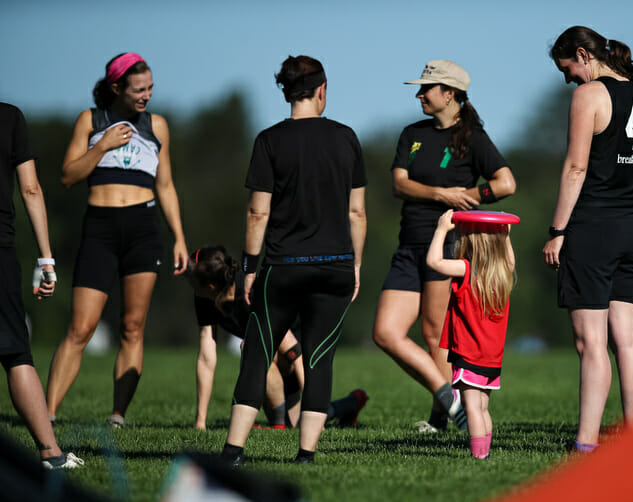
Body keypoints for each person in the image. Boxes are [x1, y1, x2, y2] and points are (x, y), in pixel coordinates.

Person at [220, 55, 366, 465]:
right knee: (319, 359)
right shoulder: (347, 138)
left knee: (257, 353)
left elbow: (257, 213)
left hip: (283, 267)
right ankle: (305, 455)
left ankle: (233, 451)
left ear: (286, 93)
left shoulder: (269, 140)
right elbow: (357, 212)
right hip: (336, 264)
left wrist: (249, 268)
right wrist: (355, 265)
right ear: (322, 90)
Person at [372, 59, 516, 433]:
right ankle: (448, 398)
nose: (419, 94)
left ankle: (440, 419)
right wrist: (440, 193)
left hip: (448, 244)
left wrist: (469, 196)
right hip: (409, 244)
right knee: (386, 332)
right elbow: (399, 183)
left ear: (449, 94)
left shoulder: (473, 137)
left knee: (435, 333)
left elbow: (505, 183)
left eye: (426, 88)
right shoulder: (412, 134)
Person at [46, 53, 189, 427]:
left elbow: (167, 185)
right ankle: (46, 415)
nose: (147, 95)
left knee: (132, 326)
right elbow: (67, 176)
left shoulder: (158, 125)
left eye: (151, 88)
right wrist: (102, 146)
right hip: (101, 228)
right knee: (81, 328)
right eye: (139, 89)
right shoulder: (90, 121)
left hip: (143, 227)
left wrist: (179, 238)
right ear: (116, 88)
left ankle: (117, 415)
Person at [543, 26, 633, 452]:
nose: (568, 78)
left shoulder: (589, 96)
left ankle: (586, 442)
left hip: (593, 227)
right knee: (627, 338)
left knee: (591, 341)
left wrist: (557, 231)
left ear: (582, 55)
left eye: (567, 68)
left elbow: (576, 168)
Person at [186, 245, 368, 431]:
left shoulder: (252, 292)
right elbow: (207, 358)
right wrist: (200, 422)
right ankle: (343, 405)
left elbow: (294, 352)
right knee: (294, 422)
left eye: (190, 279)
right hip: (270, 362)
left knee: (252, 347)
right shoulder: (204, 298)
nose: (188, 282)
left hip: (298, 360)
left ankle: (349, 402)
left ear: (211, 286)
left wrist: (312, 409)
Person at [0, 102, 82, 469]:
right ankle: (50, 454)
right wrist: (46, 259)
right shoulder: (9, 117)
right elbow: (30, 189)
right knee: (16, 354)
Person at [427, 210, 515, 459]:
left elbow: (434, 263)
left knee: (472, 407)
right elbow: (510, 261)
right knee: (483, 407)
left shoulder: (468, 269)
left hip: (469, 353)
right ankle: (484, 453)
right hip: (492, 358)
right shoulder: (502, 273)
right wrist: (505, 235)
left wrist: (441, 229)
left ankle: (479, 455)